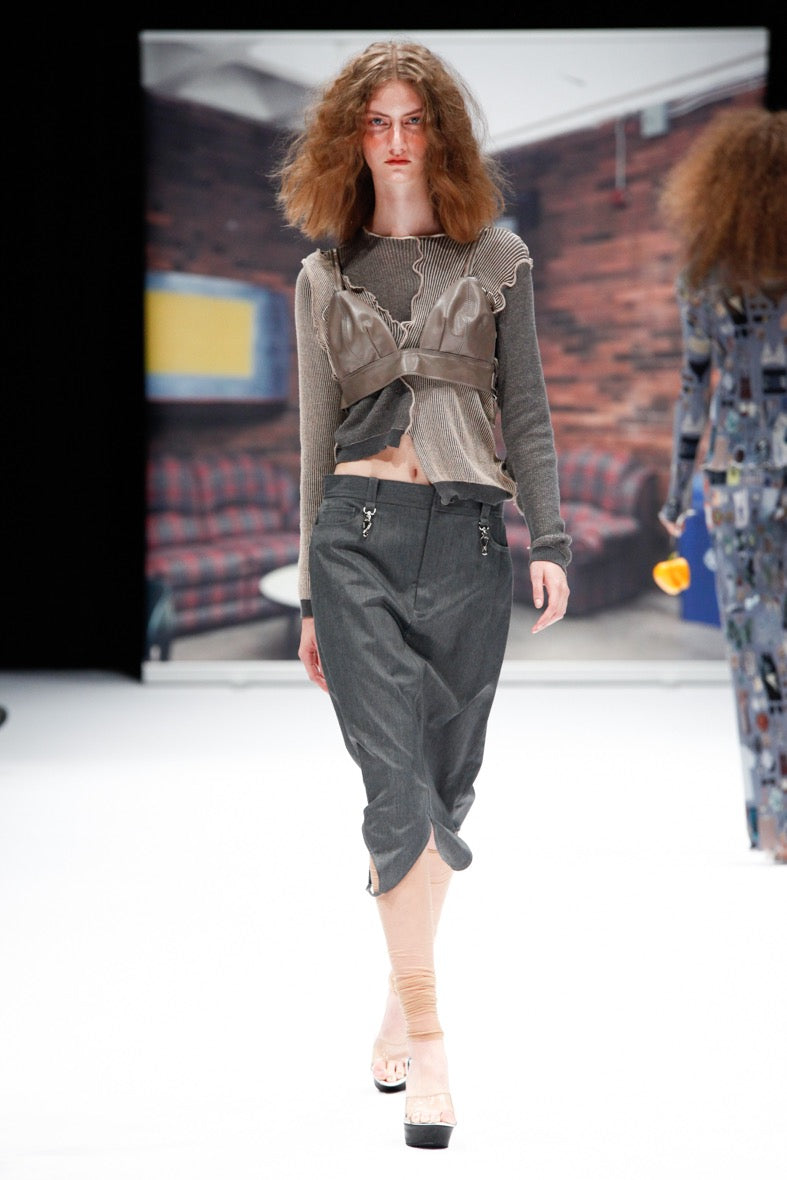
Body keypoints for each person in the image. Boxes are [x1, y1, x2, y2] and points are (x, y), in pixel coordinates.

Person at [276, 40, 571, 1148]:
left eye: (413, 120)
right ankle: (434, 1045)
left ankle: (397, 997)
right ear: (349, 139)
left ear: (438, 134)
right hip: (354, 538)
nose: (395, 140)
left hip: (467, 541)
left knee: (447, 790)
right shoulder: (321, 276)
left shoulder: (497, 257)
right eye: (376, 122)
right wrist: (312, 599)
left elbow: (525, 410)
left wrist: (549, 537)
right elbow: (313, 442)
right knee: (394, 788)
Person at [658, 106, 786, 862]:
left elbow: (692, 396)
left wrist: (677, 495)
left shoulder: (702, 281)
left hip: (735, 480)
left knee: (753, 656)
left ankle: (774, 823)